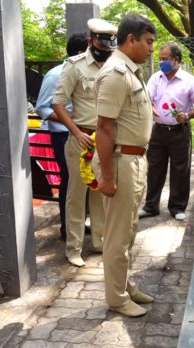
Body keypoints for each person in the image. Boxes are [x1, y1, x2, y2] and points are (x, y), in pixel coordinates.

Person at [94, 14, 156, 318]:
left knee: (129, 231)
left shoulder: (132, 72)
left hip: (133, 159)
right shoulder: (117, 73)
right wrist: (107, 176)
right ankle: (116, 298)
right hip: (119, 161)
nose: (152, 49)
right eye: (148, 42)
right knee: (118, 236)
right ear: (130, 39)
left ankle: (125, 285)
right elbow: (103, 129)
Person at [52, 19, 117, 267]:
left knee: (100, 193)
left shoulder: (113, 64)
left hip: (106, 140)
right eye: (102, 43)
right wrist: (76, 132)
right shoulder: (75, 66)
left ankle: (99, 242)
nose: (107, 48)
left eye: (110, 44)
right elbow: (57, 103)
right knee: (76, 197)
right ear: (91, 41)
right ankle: (73, 248)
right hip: (82, 139)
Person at [138, 42, 194, 221]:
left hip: (180, 131)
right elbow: (148, 97)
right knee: (154, 168)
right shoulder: (155, 78)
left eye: (164, 59)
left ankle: (177, 207)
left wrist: (188, 115)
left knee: (180, 169)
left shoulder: (189, 81)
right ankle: (151, 206)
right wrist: (152, 107)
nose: (161, 62)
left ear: (176, 60)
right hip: (158, 131)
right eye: (160, 59)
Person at [35, 33, 88, 242]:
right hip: (64, 136)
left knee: (84, 180)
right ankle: (68, 230)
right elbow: (42, 107)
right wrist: (71, 121)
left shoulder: (86, 74)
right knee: (70, 181)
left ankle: (79, 226)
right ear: (79, 53)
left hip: (83, 135)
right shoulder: (56, 75)